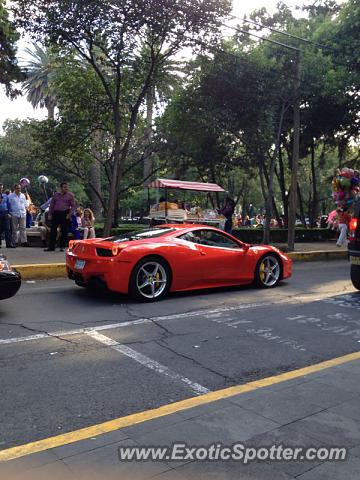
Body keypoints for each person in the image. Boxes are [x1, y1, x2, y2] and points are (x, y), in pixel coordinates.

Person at [45, 182, 76, 252]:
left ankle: (62, 246)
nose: (66, 188)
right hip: (56, 213)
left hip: (65, 213)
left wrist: (69, 214)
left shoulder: (70, 195)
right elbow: (52, 205)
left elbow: (73, 206)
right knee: (53, 230)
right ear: (61, 188)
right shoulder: (56, 195)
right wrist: (50, 214)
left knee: (64, 230)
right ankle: (51, 247)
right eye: (64, 187)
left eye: (67, 187)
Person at [0, 184, 14, 248]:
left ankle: (9, 244)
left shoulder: (5, 196)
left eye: (2, 188)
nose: (1, 189)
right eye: (0, 188)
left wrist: (10, 213)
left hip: (5, 213)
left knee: (7, 229)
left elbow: (9, 204)